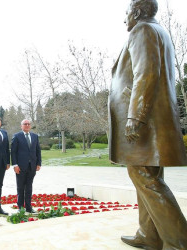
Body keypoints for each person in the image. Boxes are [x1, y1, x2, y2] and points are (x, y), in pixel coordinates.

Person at [109, 0, 187, 248]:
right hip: (153, 122)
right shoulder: (158, 30)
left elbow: (146, 72)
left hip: (145, 123)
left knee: (144, 176)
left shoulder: (142, 30)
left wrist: (135, 115)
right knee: (146, 174)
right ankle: (149, 234)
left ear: (137, 11)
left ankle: (179, 241)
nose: (124, 19)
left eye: (126, 13)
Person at [11, 119, 41, 213]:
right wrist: (15, 165)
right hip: (20, 167)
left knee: (29, 187)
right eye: (25, 124)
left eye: (28, 124)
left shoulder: (35, 136)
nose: (27, 125)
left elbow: (38, 151)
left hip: (32, 166)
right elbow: (13, 152)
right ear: (21, 126)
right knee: (20, 187)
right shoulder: (17, 136)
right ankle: (20, 207)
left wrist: (39, 163)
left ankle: (29, 207)